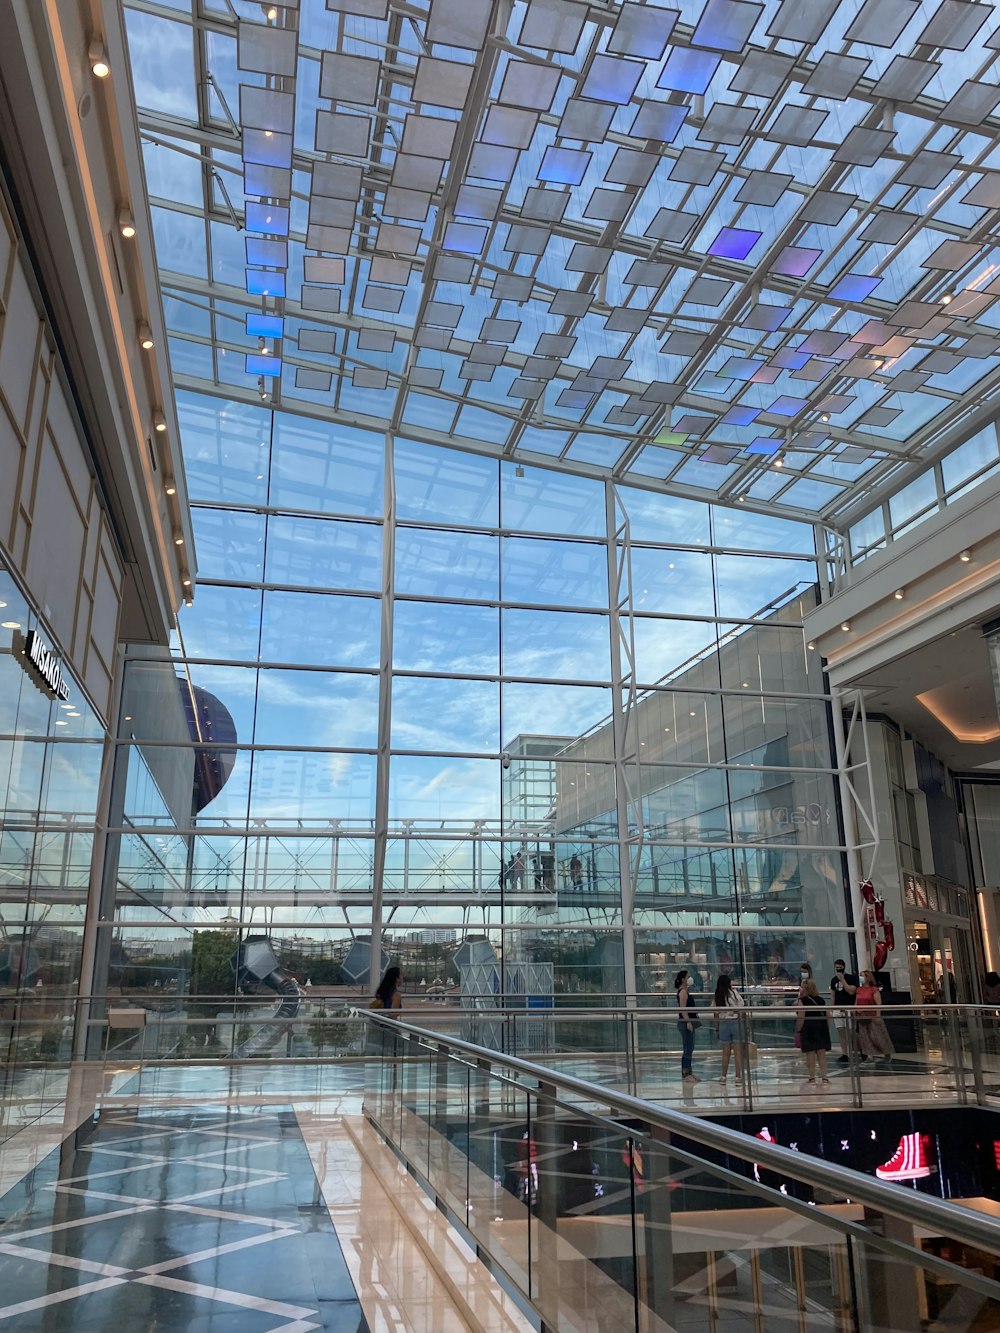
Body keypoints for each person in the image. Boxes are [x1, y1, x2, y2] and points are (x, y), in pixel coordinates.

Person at [795, 979, 831, 1085]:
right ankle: (824, 1077)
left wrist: (798, 1029)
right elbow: (828, 1015)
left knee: (810, 1054)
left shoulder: (802, 1001)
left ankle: (812, 1077)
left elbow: (801, 1016)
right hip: (821, 1027)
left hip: (809, 1028)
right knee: (822, 1054)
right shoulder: (821, 1000)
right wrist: (826, 1028)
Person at [854, 968, 895, 1062]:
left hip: (872, 1015)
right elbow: (857, 1002)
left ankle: (886, 1052)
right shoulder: (859, 990)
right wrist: (855, 1011)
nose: (860, 978)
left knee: (877, 1036)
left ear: (868, 978)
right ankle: (870, 1056)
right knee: (865, 1037)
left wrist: (877, 1015)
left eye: (862, 976)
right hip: (862, 1016)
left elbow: (878, 1003)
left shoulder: (873, 989)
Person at [713, 973, 745, 1083]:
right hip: (736, 1022)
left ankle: (723, 1076)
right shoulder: (735, 993)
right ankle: (738, 1077)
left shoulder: (717, 996)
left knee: (725, 1053)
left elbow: (716, 1014)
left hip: (723, 1023)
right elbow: (742, 1007)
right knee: (737, 1052)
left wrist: (716, 1028)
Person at [830, 958, 859, 1063]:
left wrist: (843, 980)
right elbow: (833, 995)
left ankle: (857, 1050)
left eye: (840, 968)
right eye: (837, 968)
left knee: (851, 1031)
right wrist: (831, 1008)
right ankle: (844, 1053)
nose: (838, 970)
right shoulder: (833, 980)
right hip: (838, 1008)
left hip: (849, 1007)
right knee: (841, 1031)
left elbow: (851, 991)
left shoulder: (851, 978)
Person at [675, 969, 700, 1083]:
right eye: (688, 976)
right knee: (688, 1048)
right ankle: (686, 1073)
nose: (690, 978)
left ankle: (689, 1072)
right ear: (683, 979)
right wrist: (688, 1022)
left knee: (690, 1048)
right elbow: (683, 1009)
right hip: (685, 1024)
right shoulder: (683, 992)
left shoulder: (685, 991)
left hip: (688, 1022)